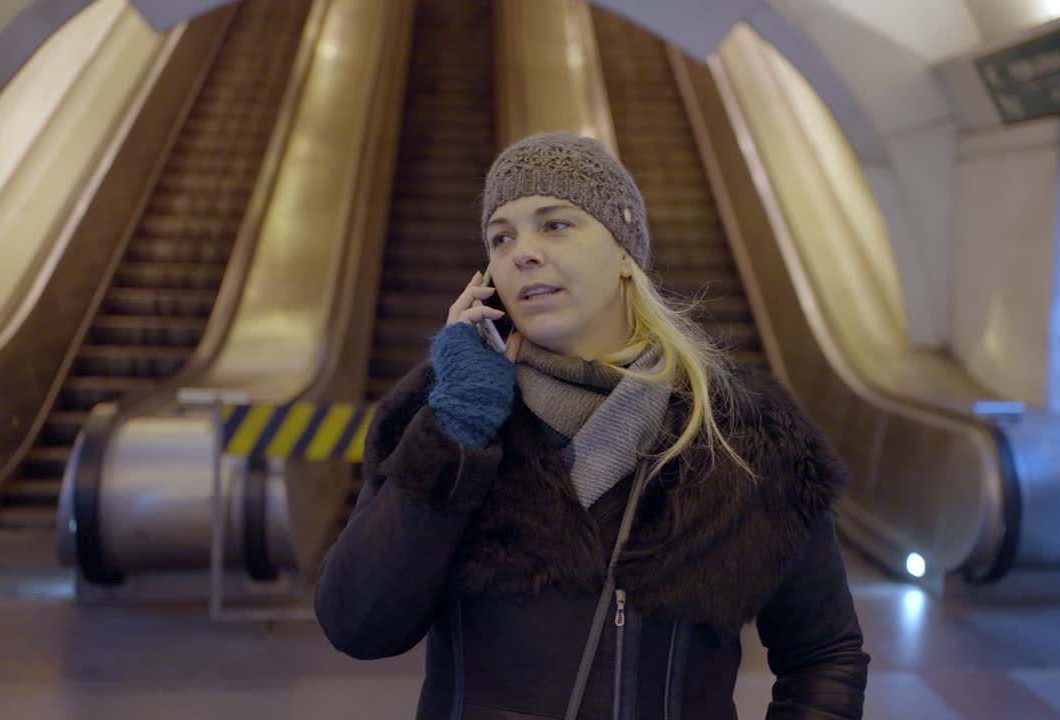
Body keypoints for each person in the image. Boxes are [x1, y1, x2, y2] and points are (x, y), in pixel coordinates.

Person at [315, 131, 869, 719]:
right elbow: (359, 625)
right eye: (501, 237)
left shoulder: (745, 436)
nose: (522, 251)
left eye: (555, 225)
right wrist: (458, 426)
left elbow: (824, 654)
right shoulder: (440, 417)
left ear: (626, 253)